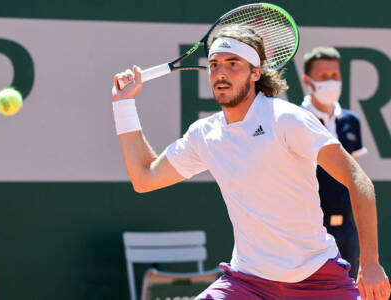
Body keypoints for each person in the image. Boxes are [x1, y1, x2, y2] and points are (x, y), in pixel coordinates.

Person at [111, 25, 390, 299]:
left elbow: (357, 178)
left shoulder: (286, 119)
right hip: (247, 282)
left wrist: (370, 262)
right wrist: (124, 104)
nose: (221, 72)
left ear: (256, 72)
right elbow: (145, 178)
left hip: (316, 280)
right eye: (215, 64)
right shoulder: (205, 134)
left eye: (233, 63)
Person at [300, 46, 368, 280]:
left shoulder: (351, 121)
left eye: (335, 76)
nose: (331, 82)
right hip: (307, 230)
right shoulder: (295, 120)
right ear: (307, 80)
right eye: (323, 77)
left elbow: (355, 178)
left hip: (346, 229)